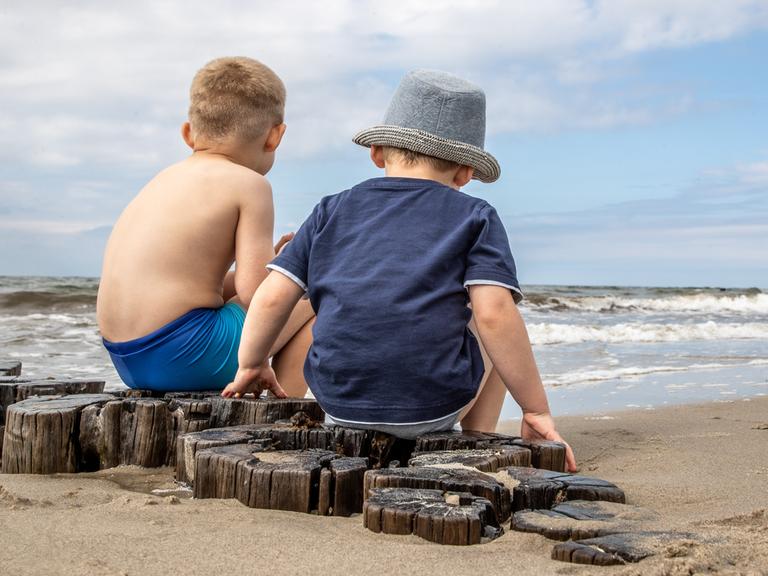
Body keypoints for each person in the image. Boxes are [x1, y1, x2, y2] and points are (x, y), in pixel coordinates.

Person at [224, 69, 576, 471]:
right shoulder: (475, 215)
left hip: (338, 404)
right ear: (465, 173)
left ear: (377, 153)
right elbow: (495, 314)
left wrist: (252, 364)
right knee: (491, 314)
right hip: (431, 409)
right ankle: (475, 440)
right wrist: (536, 409)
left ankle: (458, 436)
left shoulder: (330, 209)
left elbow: (272, 295)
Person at [97, 56, 313, 394]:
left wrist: (271, 264)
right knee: (313, 296)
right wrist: (290, 271)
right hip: (185, 355)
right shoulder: (251, 184)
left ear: (188, 133)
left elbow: (195, 285)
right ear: (275, 137)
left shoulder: (162, 180)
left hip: (129, 359)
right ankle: (285, 408)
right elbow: (258, 293)